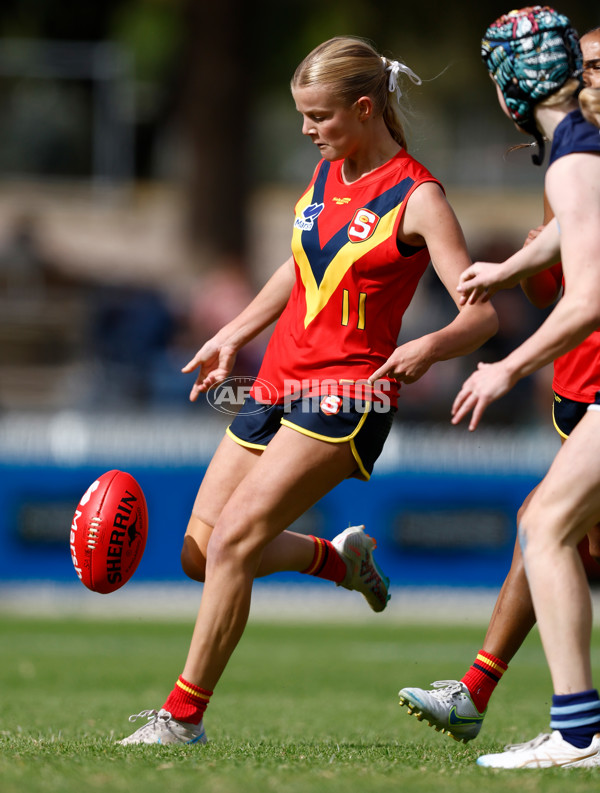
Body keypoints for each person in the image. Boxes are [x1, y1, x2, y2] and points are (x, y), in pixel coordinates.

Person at [117, 36, 497, 745]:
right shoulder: (326, 174)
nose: (305, 129)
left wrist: (427, 344)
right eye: (301, 115)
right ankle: (338, 558)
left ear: (362, 107)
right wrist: (236, 331)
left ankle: (182, 718)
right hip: (275, 382)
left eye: (318, 116)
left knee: (234, 540)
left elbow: (482, 312)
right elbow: (300, 270)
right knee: (201, 553)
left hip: (349, 396)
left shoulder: (420, 196)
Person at [397, 22, 600, 749]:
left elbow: (587, 298)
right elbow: (571, 231)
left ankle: (576, 732)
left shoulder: (574, 157)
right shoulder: (578, 149)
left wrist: (507, 365)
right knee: (548, 525)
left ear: (512, 85)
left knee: (546, 528)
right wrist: (509, 270)